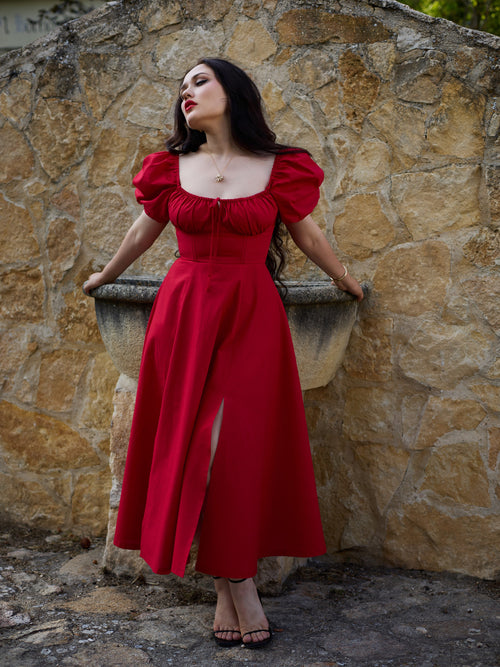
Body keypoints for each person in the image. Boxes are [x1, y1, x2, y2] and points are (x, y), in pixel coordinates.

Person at [84, 58, 363, 649]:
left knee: (229, 449)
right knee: (198, 454)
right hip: (183, 315)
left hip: (250, 317)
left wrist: (344, 280)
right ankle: (233, 587)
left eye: (199, 81)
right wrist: (105, 276)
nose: (186, 92)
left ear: (232, 92)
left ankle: (233, 580)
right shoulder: (170, 168)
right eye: (181, 87)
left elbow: (307, 234)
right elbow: (142, 232)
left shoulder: (280, 167)